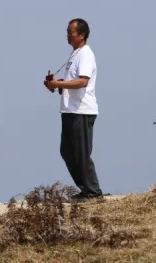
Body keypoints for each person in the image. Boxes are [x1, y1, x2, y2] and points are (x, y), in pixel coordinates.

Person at [43, 18, 103, 200]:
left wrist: (59, 84)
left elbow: (83, 82)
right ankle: (85, 188)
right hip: (70, 110)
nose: (68, 35)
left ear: (81, 35)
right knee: (68, 151)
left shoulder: (86, 54)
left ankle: (93, 191)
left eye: (71, 32)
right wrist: (56, 85)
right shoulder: (75, 54)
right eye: (67, 32)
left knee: (81, 152)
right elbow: (72, 83)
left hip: (82, 111)